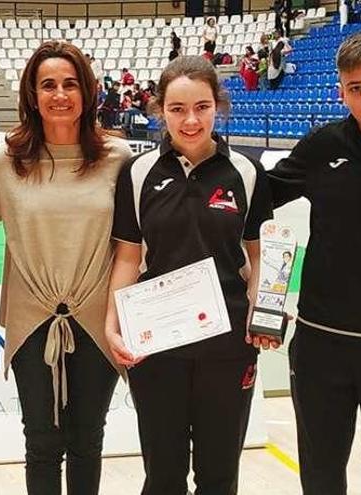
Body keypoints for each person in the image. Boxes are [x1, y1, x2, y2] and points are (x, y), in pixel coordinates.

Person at [106, 55, 276, 495]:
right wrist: (112, 324)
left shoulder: (246, 172)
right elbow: (128, 256)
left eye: (201, 107)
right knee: (163, 477)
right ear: (160, 109)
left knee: (218, 477)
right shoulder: (139, 173)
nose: (190, 120)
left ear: (217, 106)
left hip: (229, 346)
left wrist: (263, 312)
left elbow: (261, 257)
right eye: (177, 109)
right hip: (158, 348)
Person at [0, 40, 132, 495]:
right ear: (31, 94)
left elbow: (139, 239)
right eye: (48, 85)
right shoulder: (7, 161)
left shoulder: (118, 158)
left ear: (86, 92)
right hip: (33, 322)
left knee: (88, 439)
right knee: (41, 442)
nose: (59, 94)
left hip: (98, 319)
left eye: (70, 84)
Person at [267, 30, 361, 495]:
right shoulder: (321, 146)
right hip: (321, 345)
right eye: (356, 88)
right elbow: (257, 199)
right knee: (322, 476)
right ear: (340, 92)